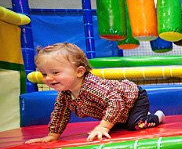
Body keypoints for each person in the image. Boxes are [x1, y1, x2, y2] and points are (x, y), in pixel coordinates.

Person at [26, 43, 165, 143]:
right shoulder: (65, 95)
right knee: (118, 127)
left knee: (136, 124)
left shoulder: (92, 87)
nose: (48, 78)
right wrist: (53, 134)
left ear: (79, 72)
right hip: (119, 110)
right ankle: (132, 118)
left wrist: (103, 126)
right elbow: (60, 113)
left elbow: (116, 102)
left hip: (133, 99)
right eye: (44, 74)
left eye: (55, 72)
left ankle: (156, 117)